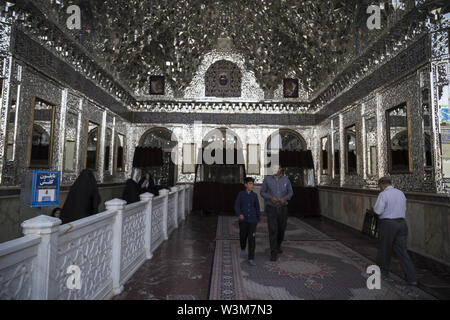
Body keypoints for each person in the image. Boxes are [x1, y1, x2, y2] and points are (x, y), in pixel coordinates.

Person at [371, 176, 417, 285]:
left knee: (384, 249)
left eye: (379, 187)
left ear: (382, 185)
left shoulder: (383, 194)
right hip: (402, 224)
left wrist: (373, 209)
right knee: (402, 251)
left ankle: (382, 272)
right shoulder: (400, 193)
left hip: (388, 224)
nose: (380, 189)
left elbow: (378, 210)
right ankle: (412, 278)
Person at [261, 165, 293, 261]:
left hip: (283, 208)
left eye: (277, 168)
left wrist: (285, 198)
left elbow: (290, 192)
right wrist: (270, 197)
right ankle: (273, 252)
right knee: (272, 230)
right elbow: (262, 192)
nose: (275, 170)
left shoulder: (286, 180)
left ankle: (278, 245)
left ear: (280, 169)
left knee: (281, 229)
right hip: (271, 208)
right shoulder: (267, 180)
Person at [234, 177, 260, 266]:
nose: (251, 185)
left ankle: (251, 258)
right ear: (245, 185)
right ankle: (242, 248)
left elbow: (257, 208)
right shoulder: (241, 194)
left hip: (253, 220)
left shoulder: (255, 196)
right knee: (243, 235)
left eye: (252, 184)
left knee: (252, 239)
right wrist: (239, 214)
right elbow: (236, 206)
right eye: (250, 184)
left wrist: (258, 219)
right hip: (243, 220)